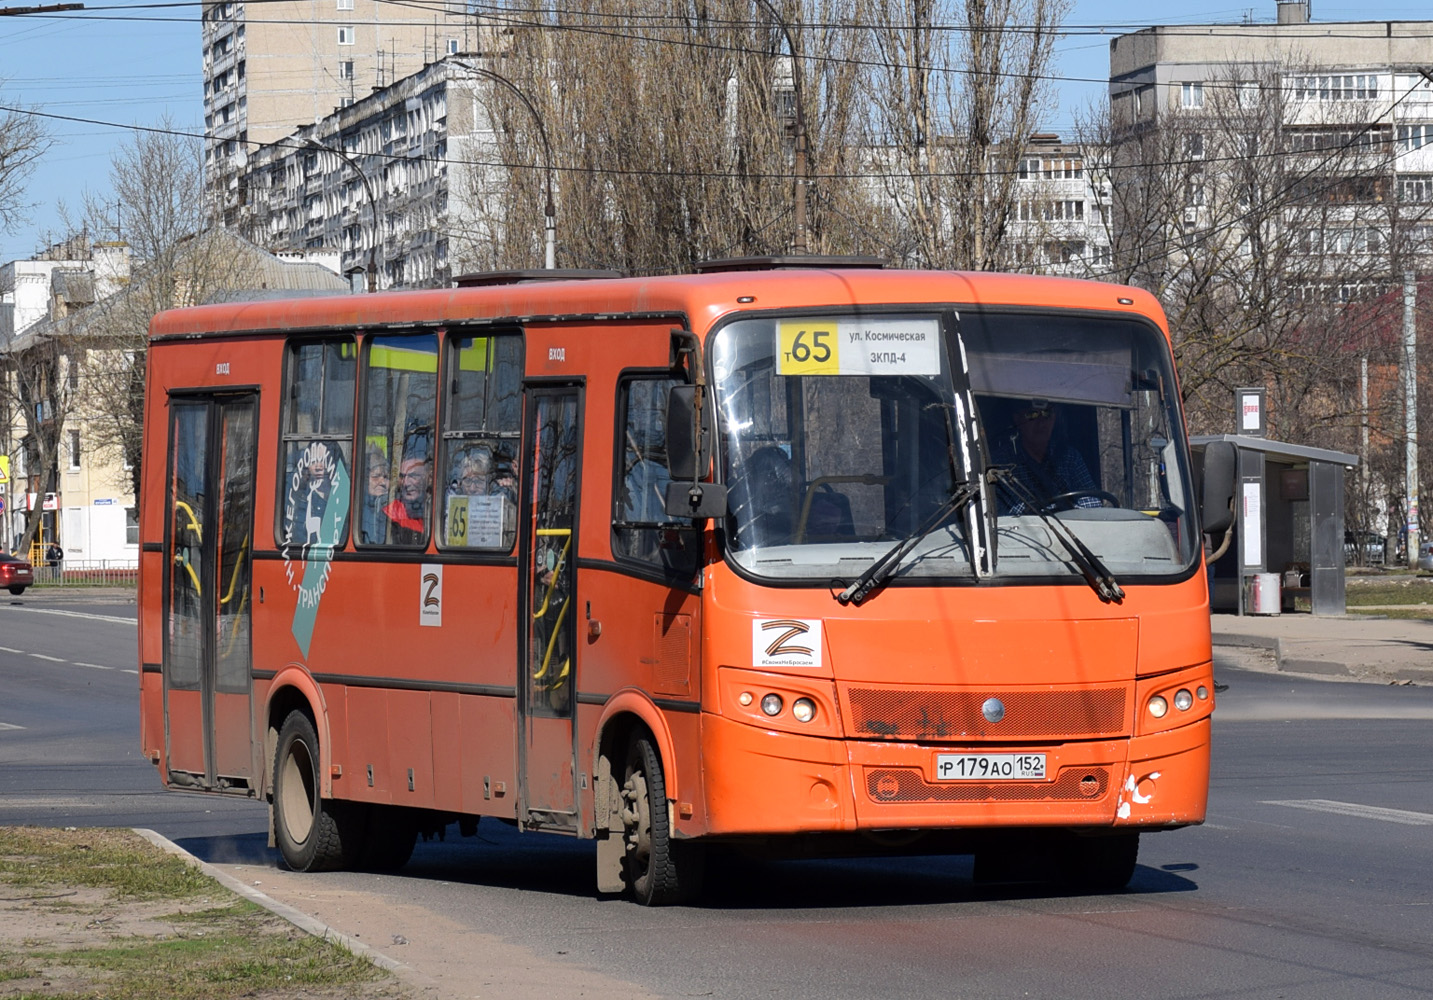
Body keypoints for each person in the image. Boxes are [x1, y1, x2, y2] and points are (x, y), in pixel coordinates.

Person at [992, 398, 1101, 513]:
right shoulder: (1002, 464)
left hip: (1071, 529)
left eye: (1047, 414)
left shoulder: (1069, 457)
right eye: (1032, 415)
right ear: (1017, 419)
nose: (1041, 422)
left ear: (1054, 419)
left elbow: (1093, 506)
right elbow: (1007, 516)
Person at [383, 444, 431, 545]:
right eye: (402, 476)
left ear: (428, 479)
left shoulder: (437, 511)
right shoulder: (390, 513)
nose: (406, 483)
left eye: (413, 476)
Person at [360, 446, 391, 544]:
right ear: (365, 480)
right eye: (376, 476)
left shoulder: (396, 508)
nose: (382, 482)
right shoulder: (357, 512)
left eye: (386, 477)